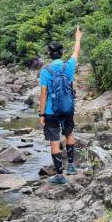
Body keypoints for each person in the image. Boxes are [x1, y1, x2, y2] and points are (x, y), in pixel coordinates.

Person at [39, 25, 82, 184]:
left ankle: (59, 176)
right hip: (67, 108)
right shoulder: (68, 65)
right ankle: (71, 166)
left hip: (51, 111)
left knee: (55, 141)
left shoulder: (45, 71)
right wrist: (78, 37)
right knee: (69, 134)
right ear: (62, 53)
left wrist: (41, 114)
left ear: (50, 54)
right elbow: (76, 52)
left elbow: (43, 94)